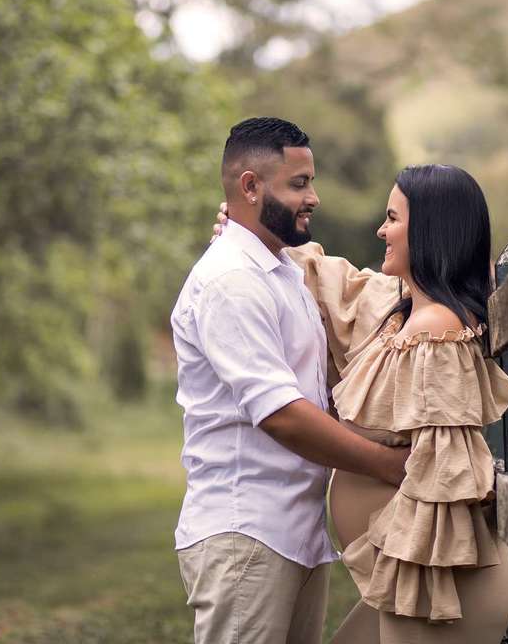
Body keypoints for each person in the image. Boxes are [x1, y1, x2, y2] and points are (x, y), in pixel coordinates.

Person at [214, 163, 508, 643]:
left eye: (394, 218)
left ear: (430, 231)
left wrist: (409, 578)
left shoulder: (434, 331)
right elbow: (346, 290)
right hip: (414, 577)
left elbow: (443, 473)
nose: (382, 229)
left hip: (434, 580)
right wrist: (253, 239)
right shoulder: (406, 316)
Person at [171, 117, 411, 644]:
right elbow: (282, 415)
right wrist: (391, 465)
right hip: (245, 532)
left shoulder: (281, 273)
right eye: (299, 184)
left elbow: (318, 393)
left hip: (293, 531)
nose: (314, 198)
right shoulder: (232, 281)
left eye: (311, 182)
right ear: (251, 186)